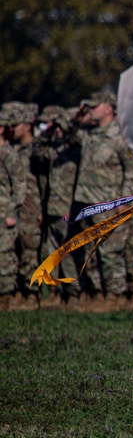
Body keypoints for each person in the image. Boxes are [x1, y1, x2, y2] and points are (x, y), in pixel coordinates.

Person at [69, 91, 133, 311]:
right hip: (86, 202)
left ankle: (115, 295)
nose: (90, 109)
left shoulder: (120, 137)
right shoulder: (89, 135)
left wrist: (125, 199)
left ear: (109, 108)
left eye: (95, 106)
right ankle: (98, 293)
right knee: (89, 251)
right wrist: (75, 118)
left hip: (109, 203)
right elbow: (68, 134)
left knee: (110, 252)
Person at [33, 106, 78, 307]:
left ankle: (73, 293)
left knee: (68, 254)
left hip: (69, 208)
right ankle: (54, 292)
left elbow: (76, 138)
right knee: (52, 252)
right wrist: (47, 131)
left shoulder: (75, 152)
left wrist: (66, 125)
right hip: (52, 207)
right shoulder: (54, 151)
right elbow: (36, 150)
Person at [3, 102, 41, 309]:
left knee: (29, 252)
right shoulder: (12, 150)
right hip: (13, 209)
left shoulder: (36, 151)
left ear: (27, 125)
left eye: (15, 125)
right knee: (13, 252)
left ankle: (31, 293)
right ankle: (17, 291)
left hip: (30, 208)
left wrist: (41, 209)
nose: (11, 129)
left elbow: (46, 183)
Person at [0, 109, 25, 310]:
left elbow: (19, 186)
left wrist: (11, 212)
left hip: (4, 212)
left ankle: (6, 296)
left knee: (5, 254)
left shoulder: (10, 154)